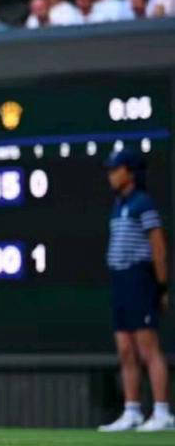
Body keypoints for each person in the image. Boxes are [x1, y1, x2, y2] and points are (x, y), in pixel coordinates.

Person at [98, 149, 172, 432]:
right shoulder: (118, 205)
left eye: (115, 169)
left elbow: (158, 247)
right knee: (126, 349)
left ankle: (162, 412)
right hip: (120, 280)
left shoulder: (144, 203)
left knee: (147, 348)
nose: (111, 175)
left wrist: (161, 286)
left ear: (129, 172)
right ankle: (132, 411)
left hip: (139, 279)